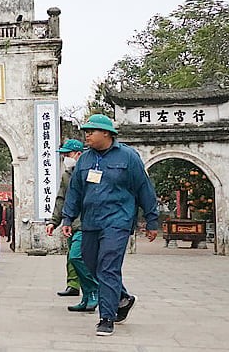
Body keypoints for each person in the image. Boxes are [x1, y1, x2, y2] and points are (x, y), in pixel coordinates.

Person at [61, 114, 159, 337]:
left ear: (106, 133)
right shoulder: (84, 160)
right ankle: (122, 297)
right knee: (90, 262)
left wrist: (152, 220)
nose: (87, 135)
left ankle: (107, 318)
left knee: (107, 267)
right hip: (91, 221)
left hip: (118, 221)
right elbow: (75, 191)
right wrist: (67, 218)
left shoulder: (128, 157)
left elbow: (145, 189)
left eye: (91, 131)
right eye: (85, 131)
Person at [47, 139, 98, 313]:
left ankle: (94, 290)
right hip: (71, 224)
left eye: (67, 154)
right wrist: (54, 221)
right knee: (73, 260)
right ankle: (86, 297)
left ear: (78, 154)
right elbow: (62, 199)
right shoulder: (67, 175)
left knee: (77, 257)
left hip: (89, 223)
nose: (65, 158)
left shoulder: (93, 171)